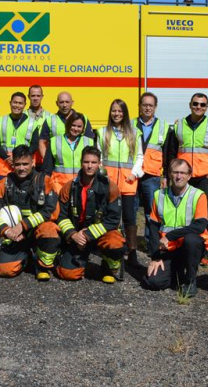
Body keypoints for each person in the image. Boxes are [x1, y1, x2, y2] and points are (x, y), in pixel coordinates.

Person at [0, 145, 60, 280]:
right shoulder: (3, 184)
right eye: (18, 164)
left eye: (25, 164)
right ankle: (26, 257)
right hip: (15, 236)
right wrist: (6, 231)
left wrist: (22, 225)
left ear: (32, 162)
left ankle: (42, 266)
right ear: (12, 163)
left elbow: (50, 211)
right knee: (4, 270)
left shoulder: (45, 182)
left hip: (37, 232)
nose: (21, 168)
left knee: (50, 229)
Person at [55, 146, 126, 283]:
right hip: (77, 236)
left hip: (99, 233)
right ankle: (71, 260)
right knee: (68, 274)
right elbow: (61, 216)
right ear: (81, 162)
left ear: (99, 164)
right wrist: (73, 235)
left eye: (93, 162)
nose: (89, 166)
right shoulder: (69, 187)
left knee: (115, 243)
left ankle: (108, 267)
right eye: (86, 162)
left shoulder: (110, 187)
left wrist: (87, 235)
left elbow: (113, 219)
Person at [143, 159, 208, 297]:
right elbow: (154, 227)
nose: (179, 176)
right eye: (175, 172)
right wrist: (155, 257)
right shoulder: (159, 195)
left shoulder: (198, 195)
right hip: (168, 249)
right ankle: (176, 271)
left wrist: (170, 235)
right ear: (169, 174)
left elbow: (200, 226)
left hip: (190, 247)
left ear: (189, 176)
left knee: (192, 240)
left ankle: (191, 281)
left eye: (183, 173)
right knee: (153, 282)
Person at [166, 93, 208, 265]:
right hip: (183, 177)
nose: (199, 107)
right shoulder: (179, 125)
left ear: (207, 107)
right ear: (190, 105)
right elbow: (172, 152)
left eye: (203, 105)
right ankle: (182, 245)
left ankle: (206, 251)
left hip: (204, 178)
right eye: (195, 104)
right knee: (183, 213)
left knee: (206, 216)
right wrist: (170, 174)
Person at [96, 99, 144, 269]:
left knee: (130, 218)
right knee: (108, 216)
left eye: (120, 111)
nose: (116, 114)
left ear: (125, 114)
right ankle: (109, 249)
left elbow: (139, 156)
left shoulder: (134, 133)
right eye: (114, 111)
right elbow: (99, 157)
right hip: (108, 183)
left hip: (128, 181)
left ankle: (131, 253)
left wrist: (134, 173)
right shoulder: (102, 132)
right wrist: (102, 174)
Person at [132, 92, 169, 243]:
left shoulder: (164, 127)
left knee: (151, 211)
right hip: (132, 174)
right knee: (130, 210)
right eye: (144, 105)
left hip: (152, 175)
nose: (147, 108)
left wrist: (165, 175)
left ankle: (151, 242)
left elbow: (167, 154)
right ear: (140, 106)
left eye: (150, 105)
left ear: (155, 107)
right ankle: (130, 243)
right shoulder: (130, 124)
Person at [42, 112, 94, 194]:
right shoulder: (55, 141)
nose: (76, 129)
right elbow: (47, 168)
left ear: (83, 128)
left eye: (79, 126)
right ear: (68, 125)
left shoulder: (89, 142)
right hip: (59, 188)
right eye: (73, 125)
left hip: (82, 188)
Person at [0, 92, 38, 178]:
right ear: (10, 103)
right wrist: (7, 158)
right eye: (15, 102)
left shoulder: (32, 123)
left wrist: (21, 158)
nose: (17, 105)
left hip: (25, 168)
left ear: (25, 104)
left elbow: (35, 144)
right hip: (5, 168)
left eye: (20, 103)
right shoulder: (1, 121)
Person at [37, 91, 93, 161]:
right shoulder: (50, 120)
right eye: (61, 102)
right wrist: (48, 161)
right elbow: (42, 142)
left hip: (79, 163)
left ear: (72, 103)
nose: (64, 105)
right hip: (59, 165)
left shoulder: (83, 118)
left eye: (67, 102)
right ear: (56, 103)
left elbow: (90, 141)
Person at [26, 85, 53, 168]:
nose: (35, 98)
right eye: (33, 95)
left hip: (44, 160)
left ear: (42, 97)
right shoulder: (22, 116)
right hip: (27, 161)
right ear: (28, 97)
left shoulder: (50, 117)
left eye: (38, 96)